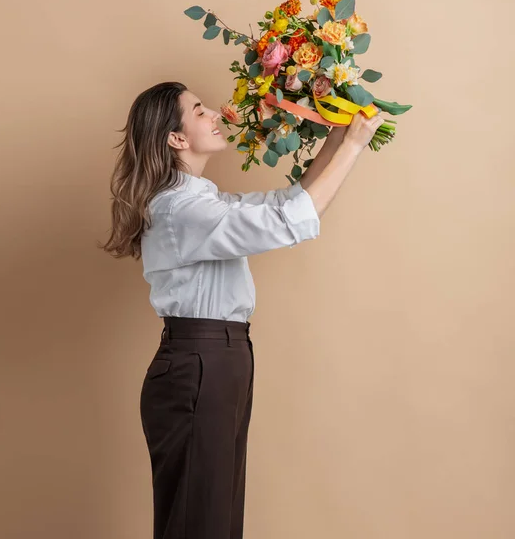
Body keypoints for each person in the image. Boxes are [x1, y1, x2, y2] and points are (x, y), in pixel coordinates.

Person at [98, 81, 384, 539]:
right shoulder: (179, 210)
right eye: (198, 110)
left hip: (219, 362)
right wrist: (353, 145)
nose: (214, 113)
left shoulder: (199, 200)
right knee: (201, 523)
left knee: (216, 520)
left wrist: (337, 136)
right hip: (200, 365)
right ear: (177, 138)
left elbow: (286, 202)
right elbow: (288, 222)